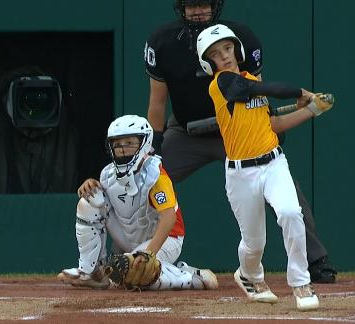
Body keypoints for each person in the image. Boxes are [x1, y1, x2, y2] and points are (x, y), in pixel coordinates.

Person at [144, 0, 337, 283]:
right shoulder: (162, 42)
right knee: (144, 180)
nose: (198, 11)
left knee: (283, 190)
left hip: (236, 131)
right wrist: (155, 147)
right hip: (187, 132)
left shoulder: (242, 38)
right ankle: (125, 258)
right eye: (191, 5)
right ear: (180, 8)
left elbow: (256, 91)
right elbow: (157, 104)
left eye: (204, 4)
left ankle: (316, 259)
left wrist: (269, 122)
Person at [196, 23, 335, 310]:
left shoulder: (250, 83)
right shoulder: (222, 85)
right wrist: (301, 92)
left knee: (290, 212)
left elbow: (274, 124)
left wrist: (311, 109)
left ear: (237, 49)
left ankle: (301, 284)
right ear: (207, 62)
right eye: (215, 53)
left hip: (273, 163)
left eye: (227, 48)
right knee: (254, 242)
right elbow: (267, 88)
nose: (224, 56)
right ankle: (249, 275)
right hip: (240, 173)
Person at [57, 114, 218, 291]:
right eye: (117, 145)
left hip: (167, 239)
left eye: (129, 143)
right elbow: (105, 204)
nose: (123, 149)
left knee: (133, 275)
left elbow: (169, 217)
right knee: (90, 201)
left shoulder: (155, 174)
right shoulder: (108, 174)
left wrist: (149, 253)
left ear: (144, 143)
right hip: (130, 237)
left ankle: (189, 276)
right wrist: (90, 184)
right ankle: (92, 272)